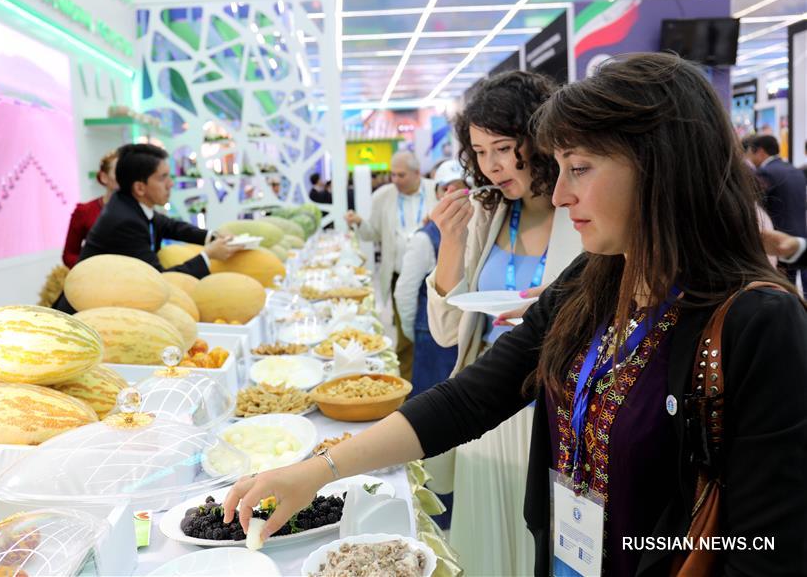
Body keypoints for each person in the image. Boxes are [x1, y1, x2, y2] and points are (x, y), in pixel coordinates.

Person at [223, 53, 807, 576]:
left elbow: (765, 545)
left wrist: (641, 545)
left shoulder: (758, 323)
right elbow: (475, 396)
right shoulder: (596, 281)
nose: (558, 196)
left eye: (580, 169)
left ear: (661, 168)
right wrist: (318, 470)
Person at [425, 71, 582, 576]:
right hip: (488, 408)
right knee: (485, 554)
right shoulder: (486, 213)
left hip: (559, 412)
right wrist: (449, 243)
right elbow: (449, 332)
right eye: (479, 151)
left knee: (549, 550)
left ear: (538, 139)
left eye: (503, 147)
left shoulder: (582, 210)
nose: (491, 166)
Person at [54, 144, 241, 313]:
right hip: (82, 314)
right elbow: (159, 280)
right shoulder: (124, 221)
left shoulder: (129, 204)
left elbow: (170, 226)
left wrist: (212, 236)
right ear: (140, 188)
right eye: (163, 178)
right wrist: (208, 256)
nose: (171, 184)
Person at [345, 151, 437, 379]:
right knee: (407, 337)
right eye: (392, 174)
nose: (395, 179)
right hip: (400, 276)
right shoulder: (383, 196)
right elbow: (372, 234)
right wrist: (359, 223)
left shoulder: (436, 190)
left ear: (417, 173)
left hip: (435, 277)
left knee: (436, 333)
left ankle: (437, 383)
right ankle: (409, 389)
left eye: (401, 175)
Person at [393, 159, 466, 397]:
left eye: (460, 186)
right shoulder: (425, 238)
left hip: (465, 337)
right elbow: (404, 292)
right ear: (436, 193)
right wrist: (415, 331)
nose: (452, 194)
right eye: (445, 188)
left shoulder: (482, 233)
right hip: (432, 338)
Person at [745, 135, 807, 289]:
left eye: (750, 153)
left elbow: (756, 207)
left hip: (777, 241)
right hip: (799, 236)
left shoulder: (766, 173)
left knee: (779, 290)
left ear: (760, 152)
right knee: (793, 289)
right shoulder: (795, 169)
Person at [61, 150, 119, 267]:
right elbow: (69, 254)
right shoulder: (85, 211)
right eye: (118, 172)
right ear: (104, 177)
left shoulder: (137, 209)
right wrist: (90, 269)